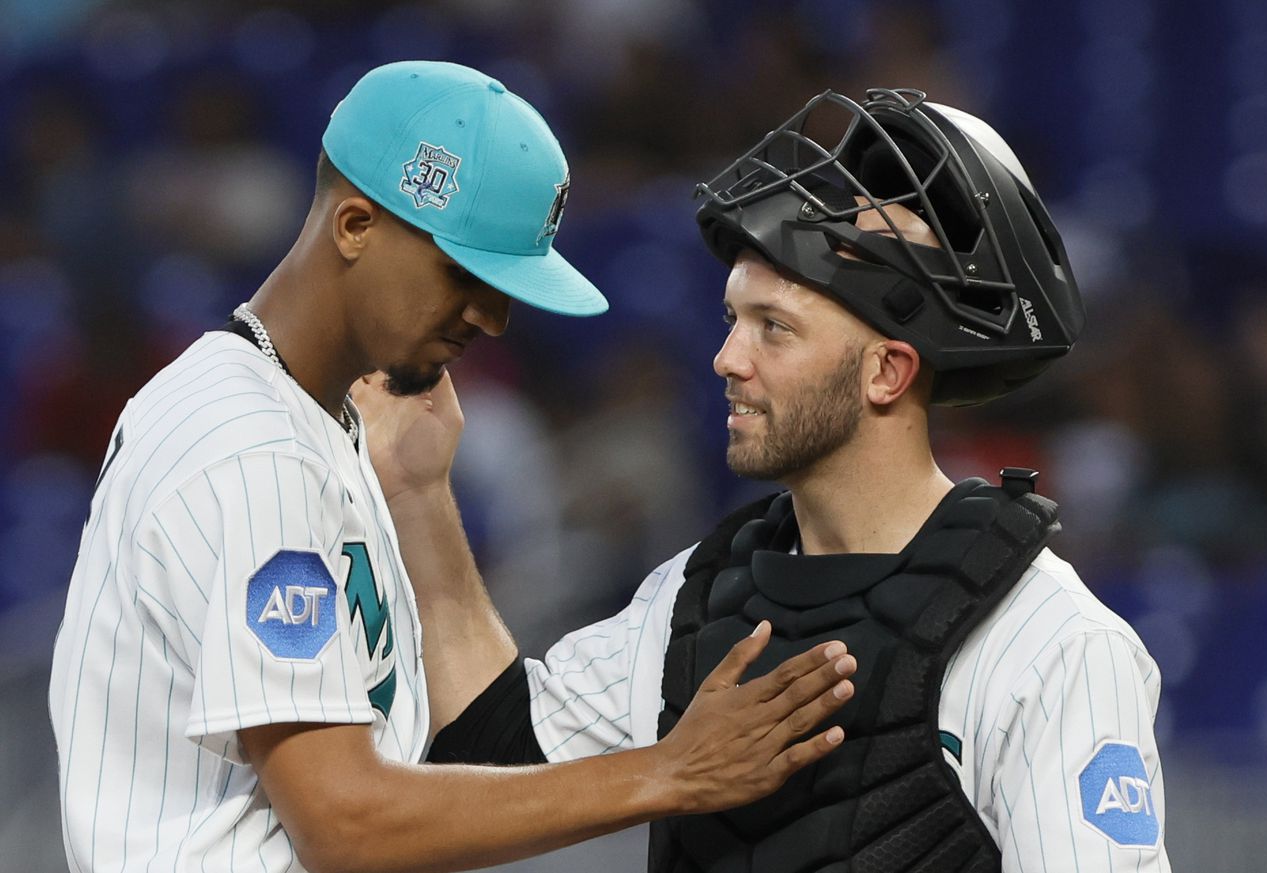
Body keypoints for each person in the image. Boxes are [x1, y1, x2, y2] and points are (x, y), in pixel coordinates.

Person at [47, 61, 861, 873]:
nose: (494, 317)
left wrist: (416, 489)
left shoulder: (288, 409)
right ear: (356, 226)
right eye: (466, 274)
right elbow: (345, 821)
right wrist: (669, 773)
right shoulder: (256, 449)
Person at [425, 88, 1174, 872]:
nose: (727, 360)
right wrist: (418, 493)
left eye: (774, 329)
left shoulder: (1050, 640)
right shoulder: (696, 599)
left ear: (887, 370)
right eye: (732, 320)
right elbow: (493, 746)